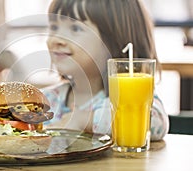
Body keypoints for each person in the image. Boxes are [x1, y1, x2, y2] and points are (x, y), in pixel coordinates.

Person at [43, 0, 169, 141]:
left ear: (114, 39)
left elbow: (156, 123)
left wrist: (85, 120)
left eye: (75, 29)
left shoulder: (130, 98)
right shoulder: (46, 101)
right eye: (54, 27)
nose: (56, 39)